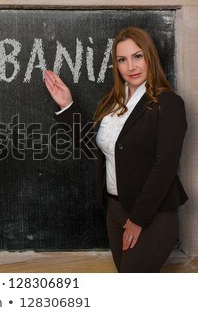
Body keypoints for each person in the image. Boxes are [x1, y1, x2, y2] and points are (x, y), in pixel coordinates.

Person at [44, 27, 188, 272]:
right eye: (122, 60)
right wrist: (67, 105)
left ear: (150, 57)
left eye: (137, 56)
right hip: (116, 211)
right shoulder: (113, 103)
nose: (131, 66)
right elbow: (97, 147)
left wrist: (137, 220)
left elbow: (165, 167)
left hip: (151, 215)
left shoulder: (169, 103)